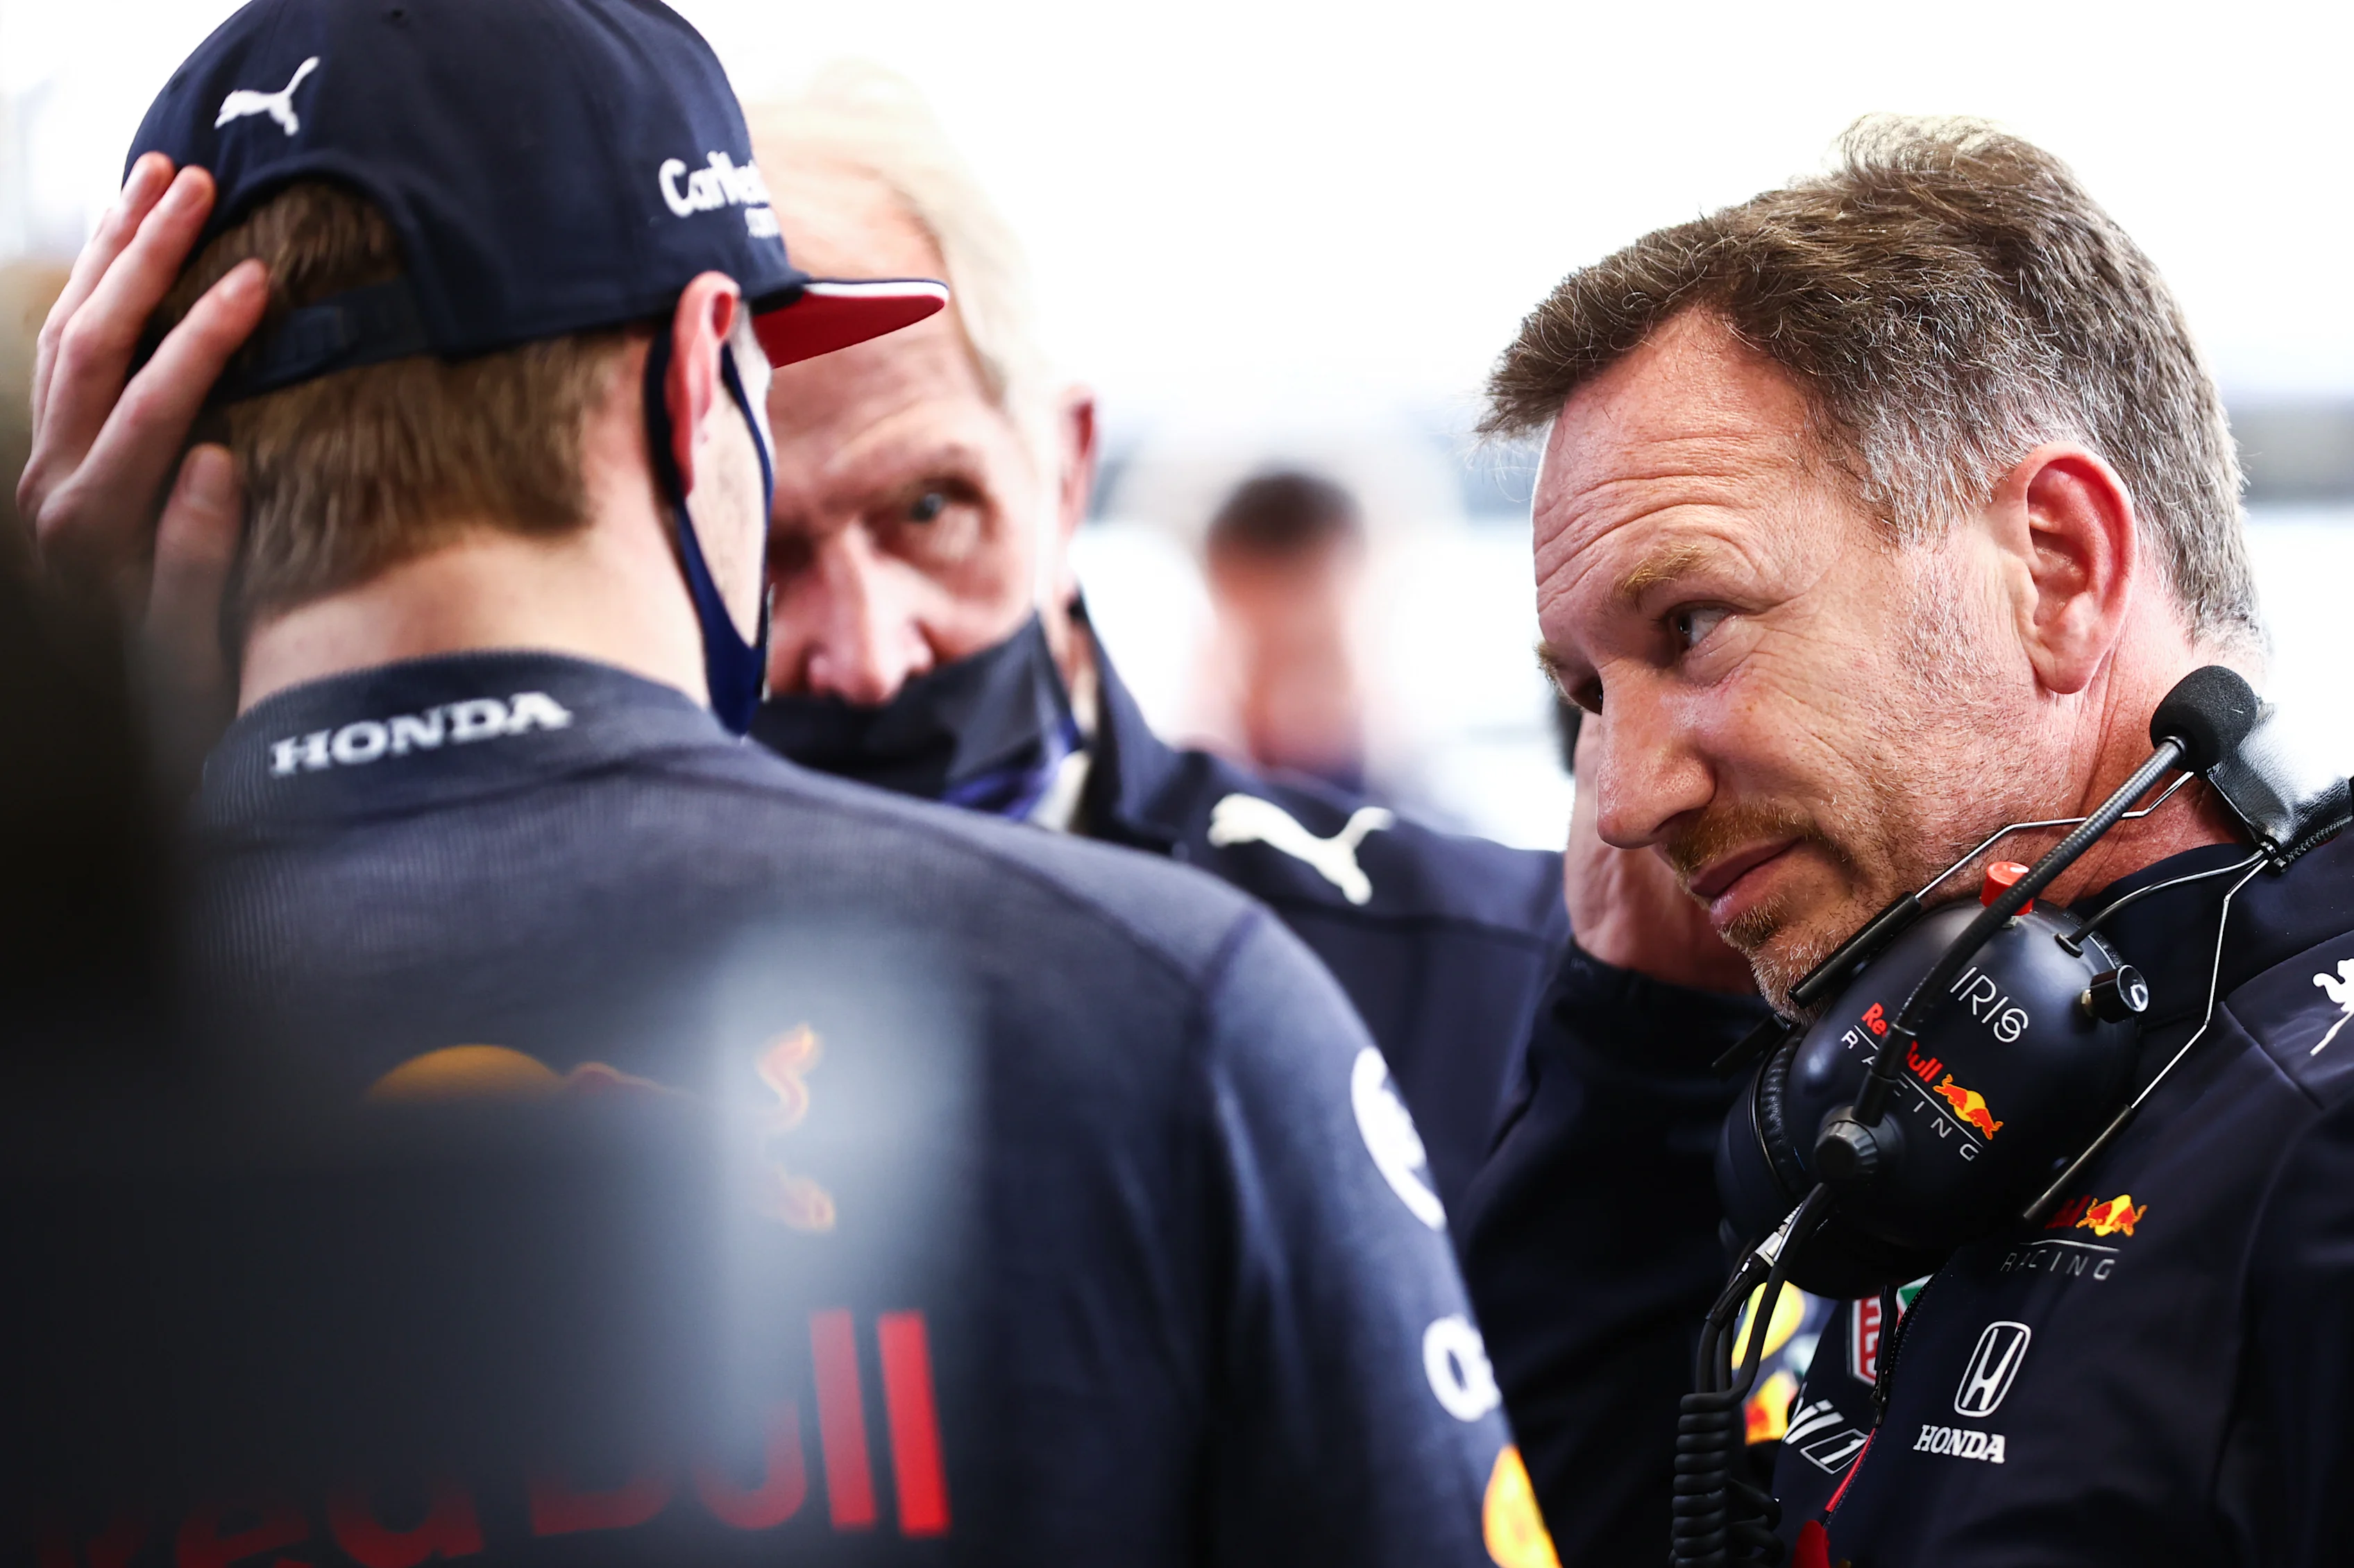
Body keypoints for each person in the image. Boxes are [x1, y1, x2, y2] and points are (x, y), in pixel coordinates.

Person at [13, 1, 1550, 1560]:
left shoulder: (67, 1002)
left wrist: (83, 743)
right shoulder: (1179, 1000)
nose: (866, 654)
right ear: (702, 382)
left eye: (930, 508)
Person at [1483, 115, 2354, 1565]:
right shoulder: (1904, 1106)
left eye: (1688, 625)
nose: (1624, 794)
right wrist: (1631, 1053)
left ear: (2057, 572)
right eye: (1584, 695)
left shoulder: (2315, 1158)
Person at [743, 73, 1570, 1214]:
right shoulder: (534, 1014)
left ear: (1066, 468)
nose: (871, 652)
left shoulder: (1500, 976)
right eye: (755, 555)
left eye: (930, 508)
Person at [1199, 468, 1373, 792]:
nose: (1291, 706)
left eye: (1311, 658)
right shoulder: (1183, 803)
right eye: (1264, 656)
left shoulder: (1437, 814)